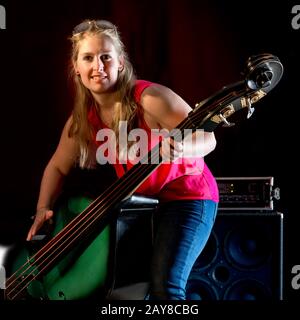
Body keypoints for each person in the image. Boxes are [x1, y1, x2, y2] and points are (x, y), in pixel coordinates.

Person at [26, 19, 219, 300]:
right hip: (140, 206)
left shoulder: (150, 98)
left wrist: (182, 149)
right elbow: (57, 166)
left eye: (106, 56)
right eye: (88, 58)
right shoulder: (84, 119)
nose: (98, 66)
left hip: (189, 197)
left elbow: (208, 138)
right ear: (76, 68)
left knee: (167, 288)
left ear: (120, 62)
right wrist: (43, 208)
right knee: (128, 292)